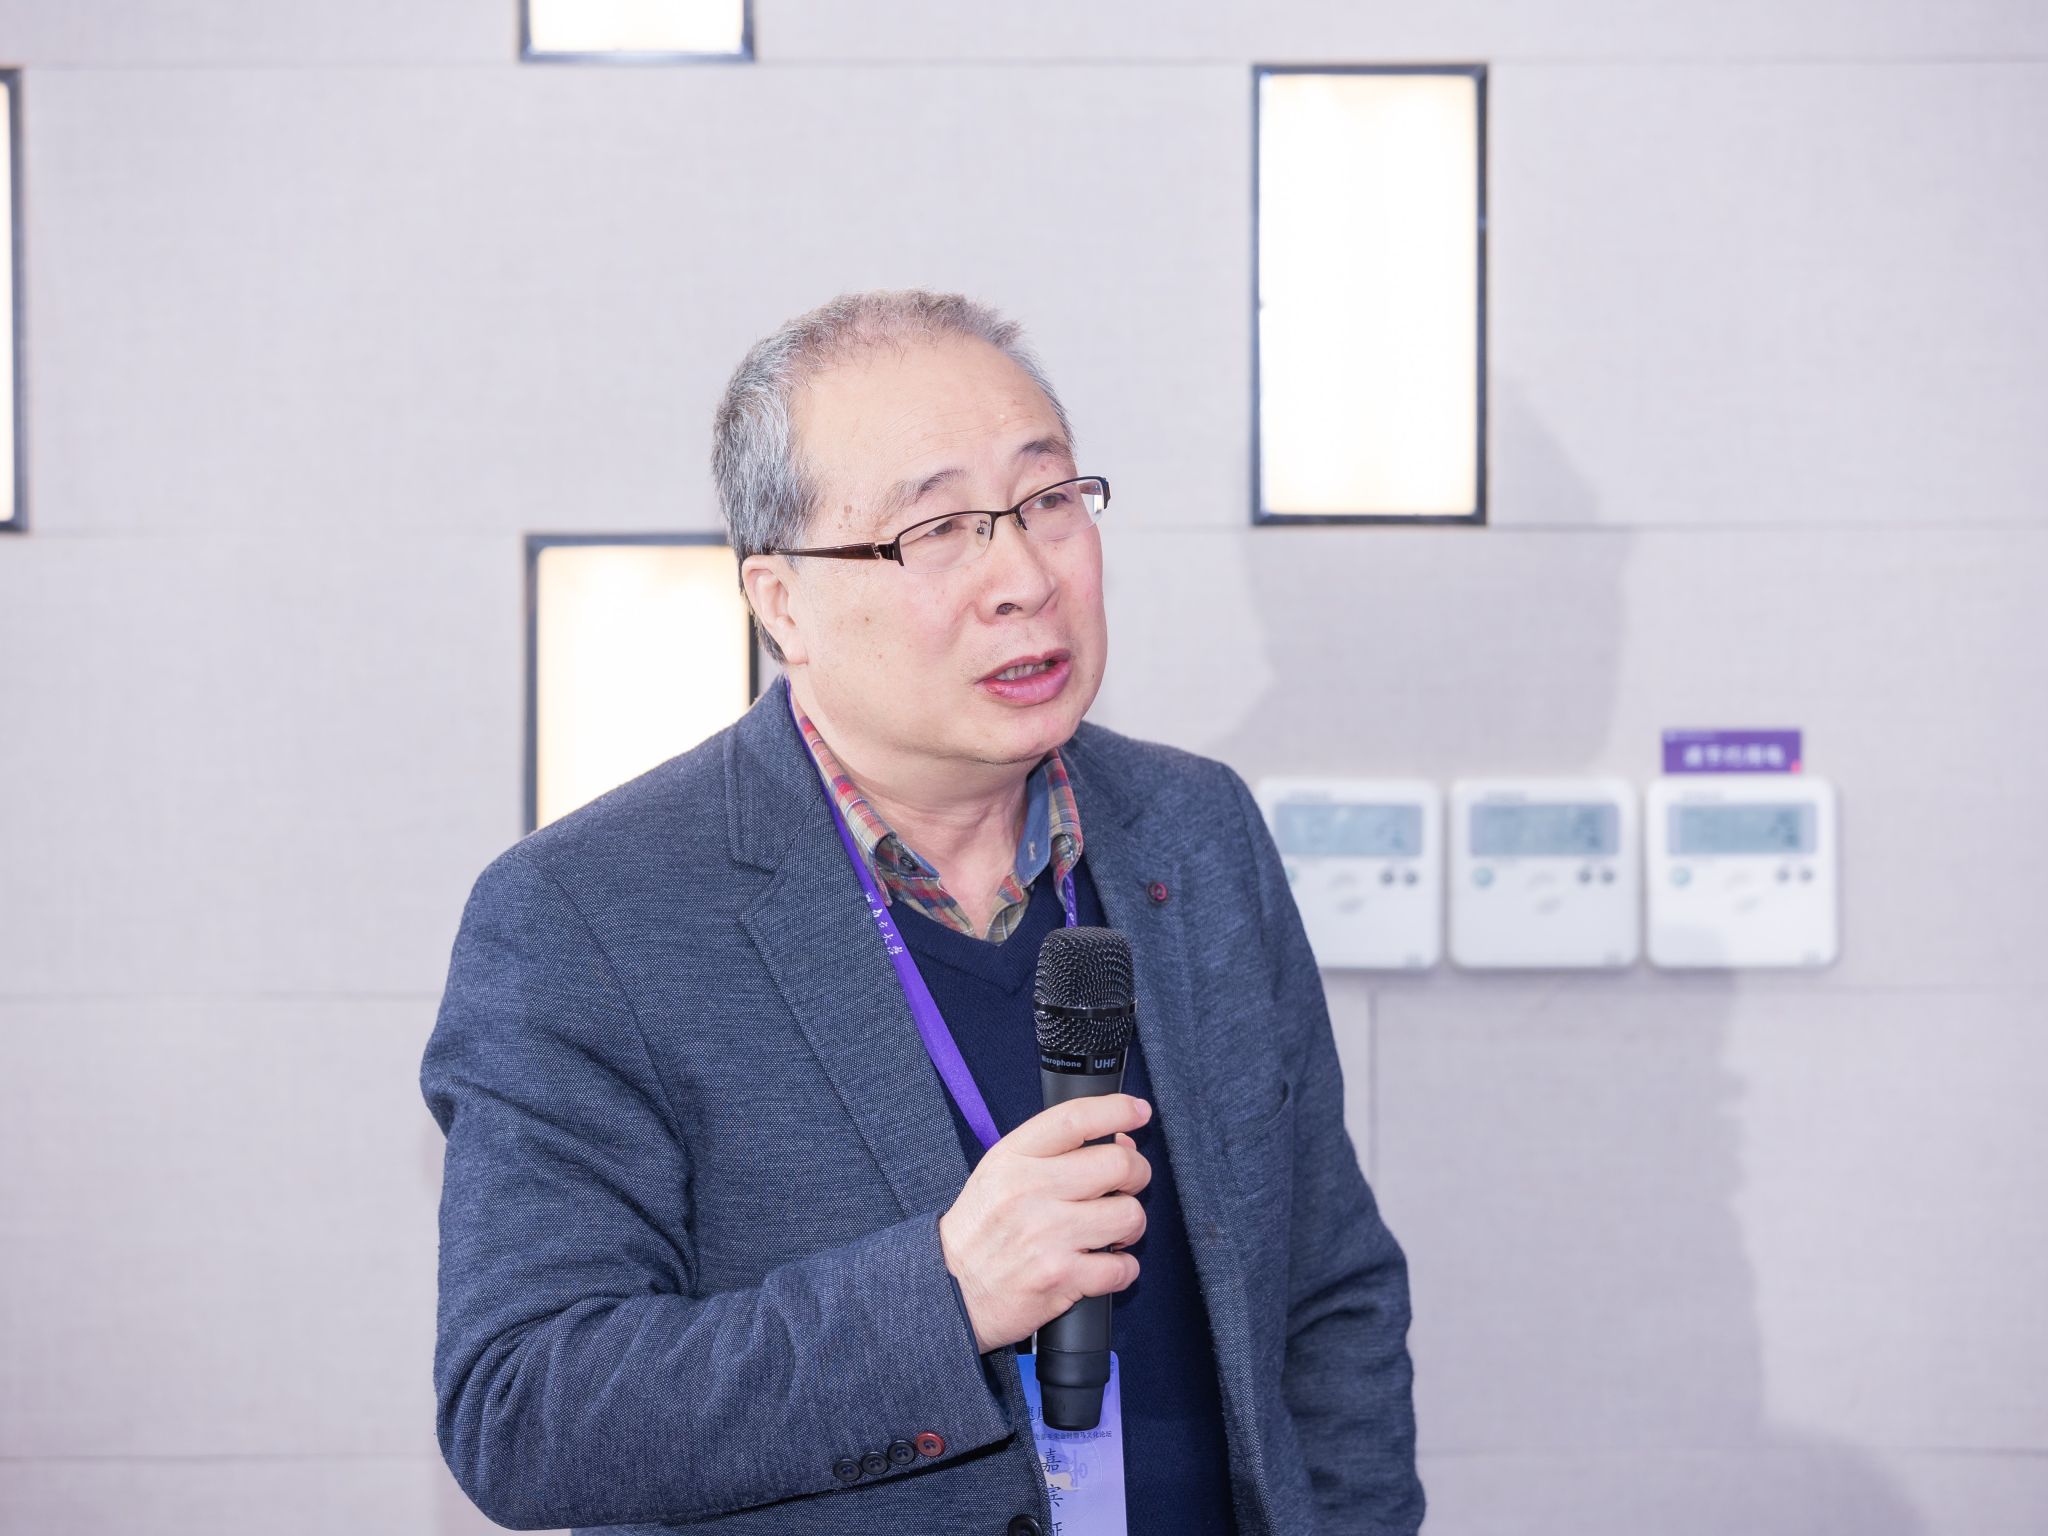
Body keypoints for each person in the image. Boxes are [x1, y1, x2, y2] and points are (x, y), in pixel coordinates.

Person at [421, 290, 1423, 1535]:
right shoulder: (585, 915)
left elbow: (1329, 1295)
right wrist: (945, 1295)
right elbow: (525, 1411)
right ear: (780, 601)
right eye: (938, 528)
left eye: (1047, 500)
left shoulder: (1193, 831)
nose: (1024, 577)